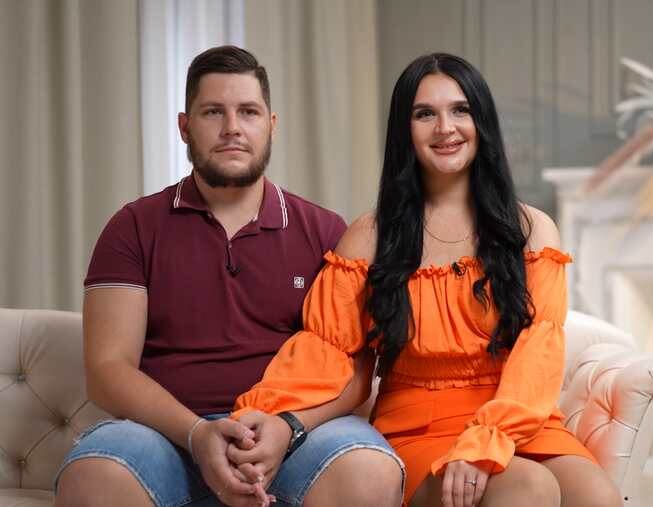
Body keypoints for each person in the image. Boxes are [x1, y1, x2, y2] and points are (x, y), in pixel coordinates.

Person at [232, 53, 622, 507]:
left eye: (460, 110)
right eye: (425, 114)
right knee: (529, 487)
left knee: (598, 497)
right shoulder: (370, 236)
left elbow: (539, 354)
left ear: (482, 121)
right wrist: (267, 416)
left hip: (516, 417)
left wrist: (489, 437)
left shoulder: (532, 230)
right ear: (405, 129)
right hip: (420, 425)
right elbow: (328, 352)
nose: (445, 128)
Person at [55, 45, 403, 507]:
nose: (232, 127)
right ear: (185, 127)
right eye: (213, 112)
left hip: (292, 436)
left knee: (369, 470)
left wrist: (289, 426)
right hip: (167, 438)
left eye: (248, 112)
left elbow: (356, 370)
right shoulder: (132, 227)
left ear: (271, 125)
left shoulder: (324, 231)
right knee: (93, 477)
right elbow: (107, 370)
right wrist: (197, 434)